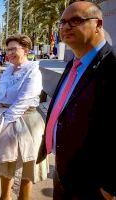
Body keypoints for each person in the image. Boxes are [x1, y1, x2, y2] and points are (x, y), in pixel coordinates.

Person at [37, 1, 116, 200]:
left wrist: (110, 185)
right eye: (62, 22)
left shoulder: (111, 67)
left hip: (92, 185)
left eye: (75, 21)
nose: (65, 27)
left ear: (98, 24)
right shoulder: (73, 64)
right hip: (63, 172)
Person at [0, 34, 48, 200]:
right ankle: (5, 197)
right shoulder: (8, 70)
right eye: (7, 49)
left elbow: (23, 101)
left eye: (13, 49)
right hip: (4, 117)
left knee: (26, 167)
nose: (9, 53)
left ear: (25, 50)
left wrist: (2, 123)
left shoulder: (33, 71)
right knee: (5, 162)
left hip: (27, 121)